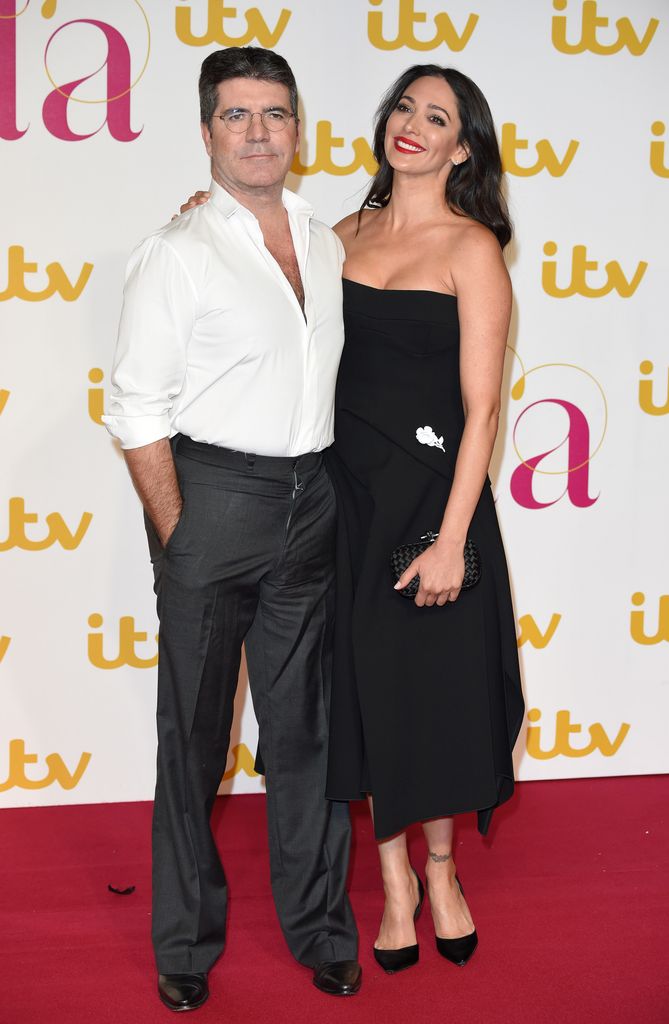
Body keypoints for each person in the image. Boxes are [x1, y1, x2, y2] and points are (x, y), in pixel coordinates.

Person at [179, 63, 524, 976]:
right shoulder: (335, 236)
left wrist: (452, 540)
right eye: (404, 107)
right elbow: (259, 284)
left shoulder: (471, 249)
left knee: (433, 695)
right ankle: (395, 883)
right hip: (343, 505)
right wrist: (205, 218)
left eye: (437, 117)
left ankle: (441, 872)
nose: (412, 124)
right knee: (362, 698)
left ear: (463, 148)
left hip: (431, 508)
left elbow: (482, 411)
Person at [103, 47, 361, 1012]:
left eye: (275, 114)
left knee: (306, 731)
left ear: (298, 128)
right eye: (237, 115)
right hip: (210, 498)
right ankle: (183, 942)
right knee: (195, 741)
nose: (258, 132)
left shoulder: (325, 240)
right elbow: (134, 407)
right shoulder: (177, 251)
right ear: (206, 130)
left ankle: (321, 929)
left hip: (310, 500)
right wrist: (180, 535)